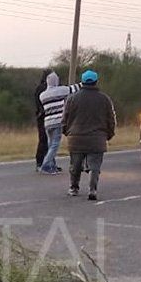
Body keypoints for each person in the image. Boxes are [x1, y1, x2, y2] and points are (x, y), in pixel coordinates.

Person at [62, 69, 116, 201]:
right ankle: (92, 189)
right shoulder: (105, 99)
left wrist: (67, 132)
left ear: (82, 82)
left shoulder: (72, 98)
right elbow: (111, 119)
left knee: (75, 165)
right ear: (96, 82)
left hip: (76, 138)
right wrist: (108, 134)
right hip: (97, 138)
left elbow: (65, 118)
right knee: (95, 166)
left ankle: (74, 188)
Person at [37, 71, 80, 174]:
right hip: (57, 121)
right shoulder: (60, 90)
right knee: (55, 145)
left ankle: (51, 165)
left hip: (47, 122)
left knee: (50, 144)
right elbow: (75, 88)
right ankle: (46, 165)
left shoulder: (42, 95)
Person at [33, 69, 51, 170]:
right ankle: (40, 162)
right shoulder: (41, 88)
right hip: (43, 116)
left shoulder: (48, 88)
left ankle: (49, 162)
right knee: (44, 139)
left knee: (50, 141)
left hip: (47, 115)